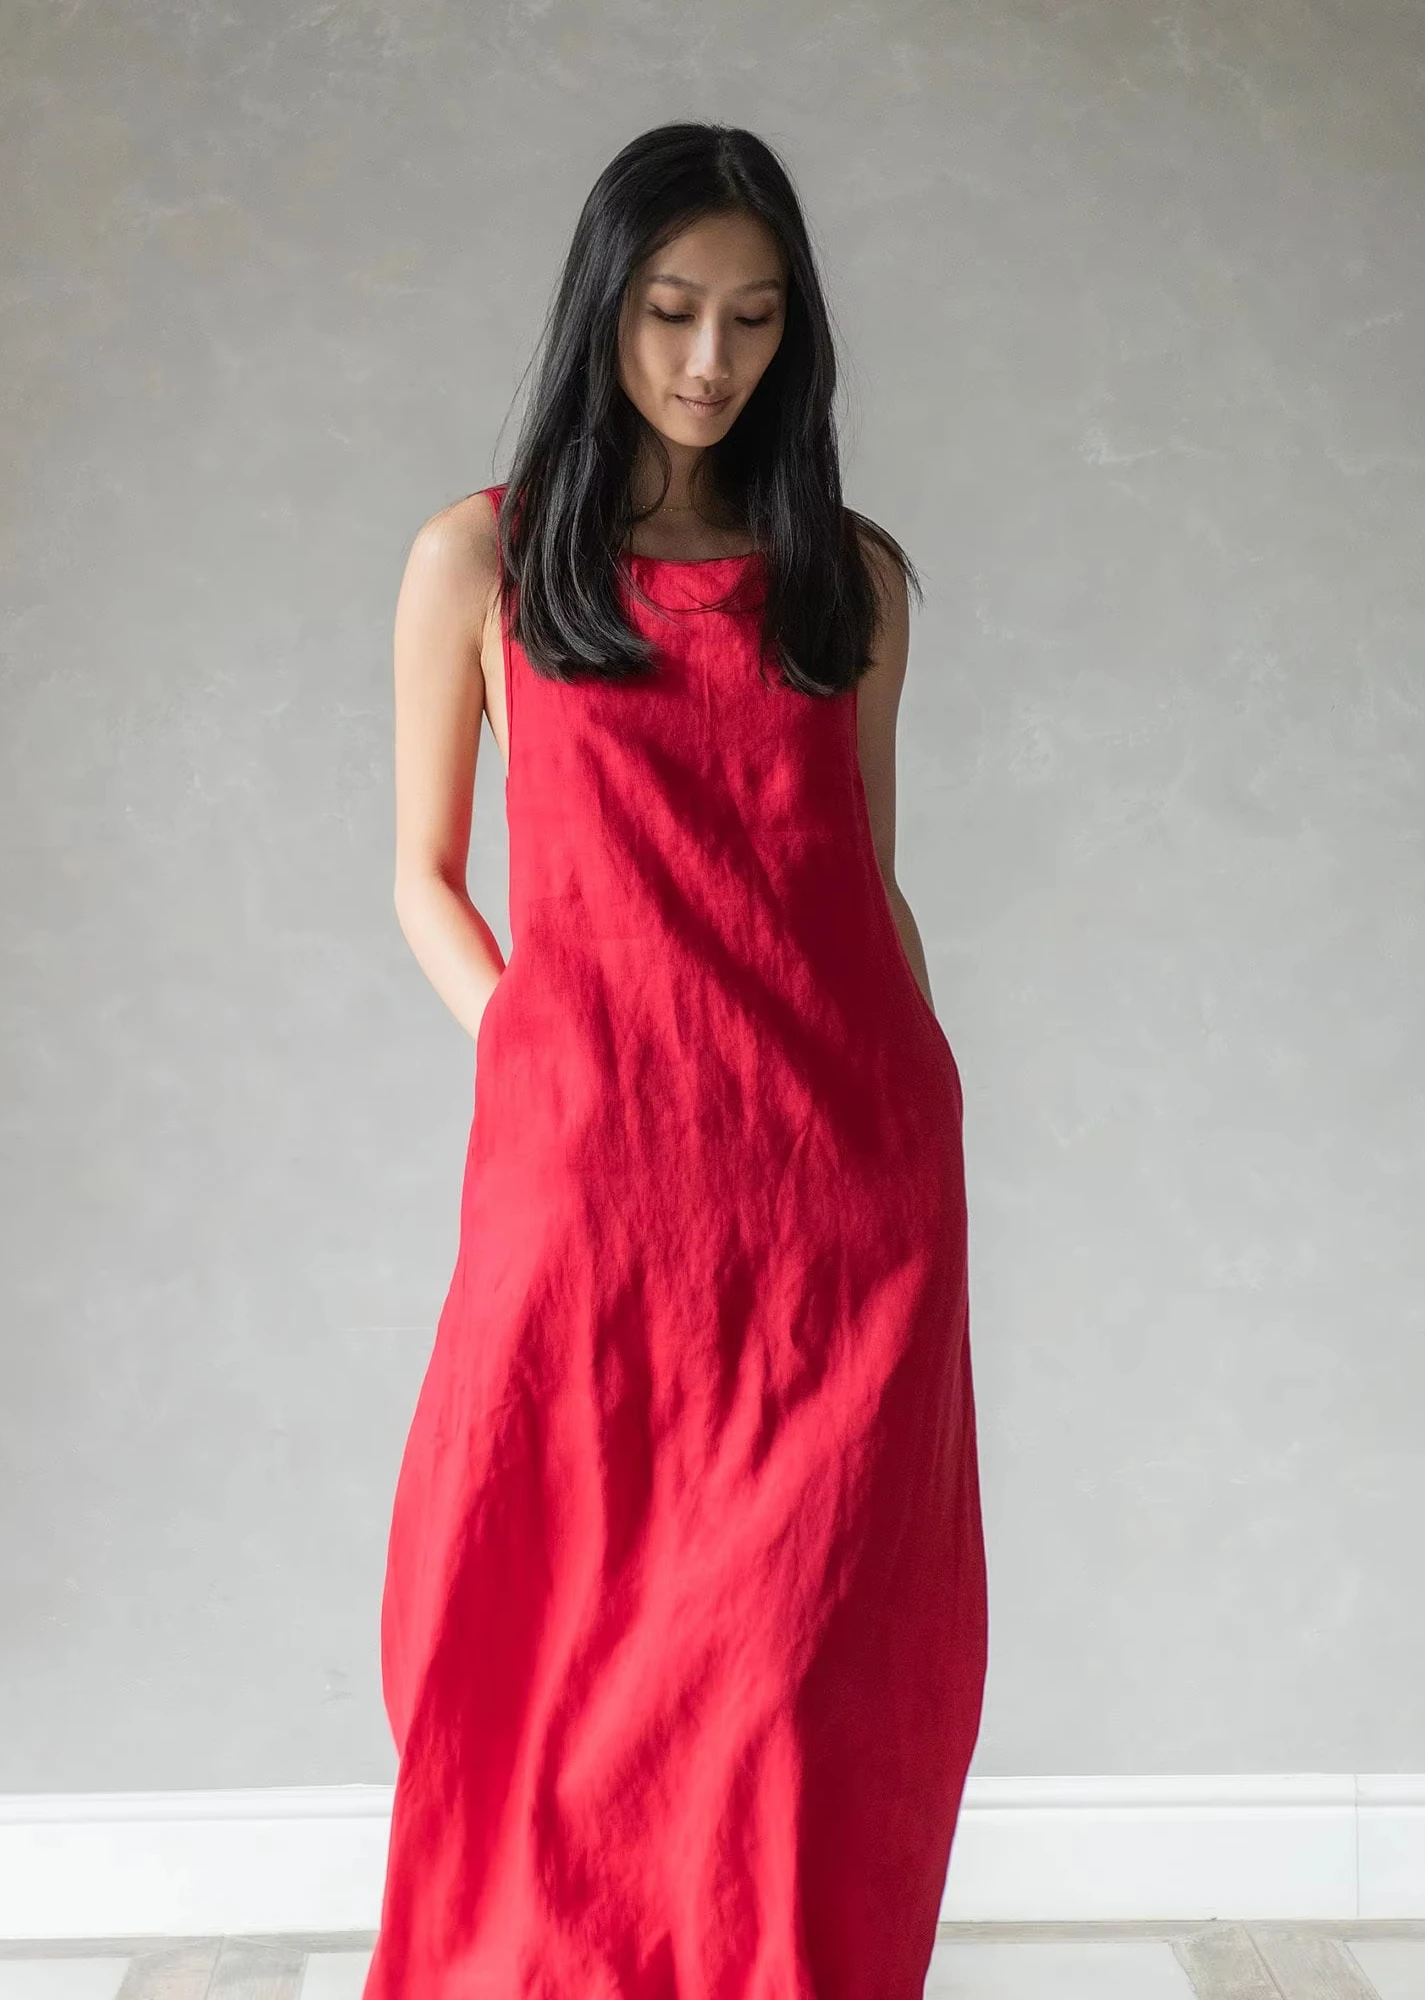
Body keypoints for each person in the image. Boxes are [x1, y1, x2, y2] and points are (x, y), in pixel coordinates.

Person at [374, 121, 987, 2000]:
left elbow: (865, 884)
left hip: (841, 1191)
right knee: (536, 1639)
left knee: (792, 1673)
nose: (710, 360)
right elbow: (422, 877)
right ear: (603, 308)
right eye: (668, 311)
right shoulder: (481, 560)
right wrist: (541, 1047)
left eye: (753, 316)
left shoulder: (851, 581)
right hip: (590, 1178)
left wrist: (927, 1119)